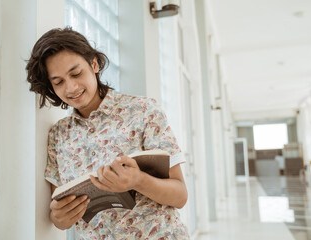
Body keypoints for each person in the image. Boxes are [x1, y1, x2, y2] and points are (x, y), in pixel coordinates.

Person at [26, 27, 189, 239]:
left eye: (76, 74)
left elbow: (180, 196)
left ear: (94, 64)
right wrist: (59, 216)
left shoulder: (143, 110)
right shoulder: (58, 135)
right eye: (58, 82)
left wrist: (138, 180)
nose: (71, 87)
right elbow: (60, 219)